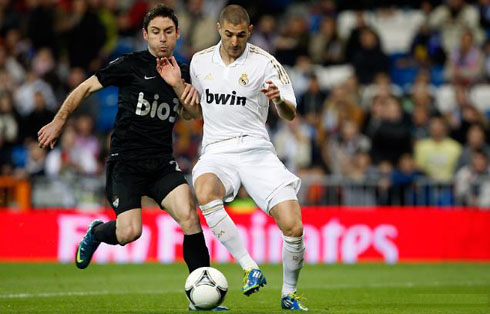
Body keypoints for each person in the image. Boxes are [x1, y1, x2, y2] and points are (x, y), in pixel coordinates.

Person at [37, 6, 217, 310]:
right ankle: (96, 231)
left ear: (177, 34)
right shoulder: (129, 65)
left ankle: (202, 295)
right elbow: (84, 88)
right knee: (130, 232)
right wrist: (59, 121)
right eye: (156, 32)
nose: (162, 39)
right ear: (145, 34)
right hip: (126, 163)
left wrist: (176, 84)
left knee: (189, 215)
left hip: (161, 162)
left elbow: (192, 114)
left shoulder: (184, 71)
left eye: (168, 32)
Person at [187, 5, 307, 311]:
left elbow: (290, 113)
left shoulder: (266, 63)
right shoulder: (200, 63)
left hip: (256, 150)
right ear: (219, 29)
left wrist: (278, 100)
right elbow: (196, 108)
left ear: (250, 32)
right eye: (229, 34)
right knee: (204, 192)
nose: (235, 41)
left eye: (241, 35)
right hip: (216, 150)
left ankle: (289, 294)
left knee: (293, 225)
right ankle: (248, 266)